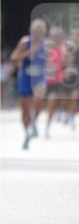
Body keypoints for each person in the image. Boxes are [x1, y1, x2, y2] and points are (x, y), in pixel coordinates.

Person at [9, 18, 48, 149]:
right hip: (25, 76)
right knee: (25, 111)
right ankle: (27, 134)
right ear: (30, 31)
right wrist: (28, 53)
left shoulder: (46, 45)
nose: (37, 35)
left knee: (39, 99)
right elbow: (13, 58)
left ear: (43, 33)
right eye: (34, 32)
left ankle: (35, 123)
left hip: (39, 78)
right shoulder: (25, 42)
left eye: (39, 32)